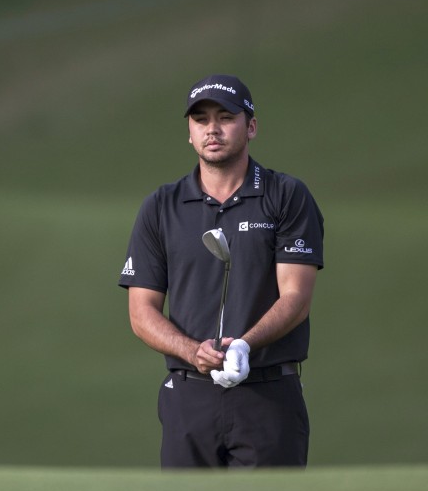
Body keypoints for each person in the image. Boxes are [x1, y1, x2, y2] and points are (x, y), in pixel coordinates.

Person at [118, 74, 324, 468]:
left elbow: (296, 297)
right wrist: (192, 351)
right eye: (200, 119)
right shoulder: (161, 205)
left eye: (225, 117)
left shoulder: (285, 195)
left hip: (268, 392)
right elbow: (141, 312)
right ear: (190, 134)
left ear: (251, 127)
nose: (212, 128)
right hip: (188, 396)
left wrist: (245, 344)